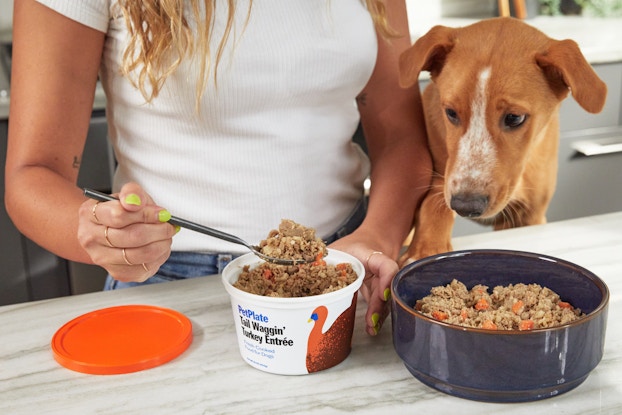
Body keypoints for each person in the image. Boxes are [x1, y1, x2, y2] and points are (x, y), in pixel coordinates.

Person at [5, 0, 431, 336]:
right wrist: (110, 236)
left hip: (340, 271)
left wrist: (376, 235)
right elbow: (33, 174)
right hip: (167, 283)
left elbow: (401, 136)